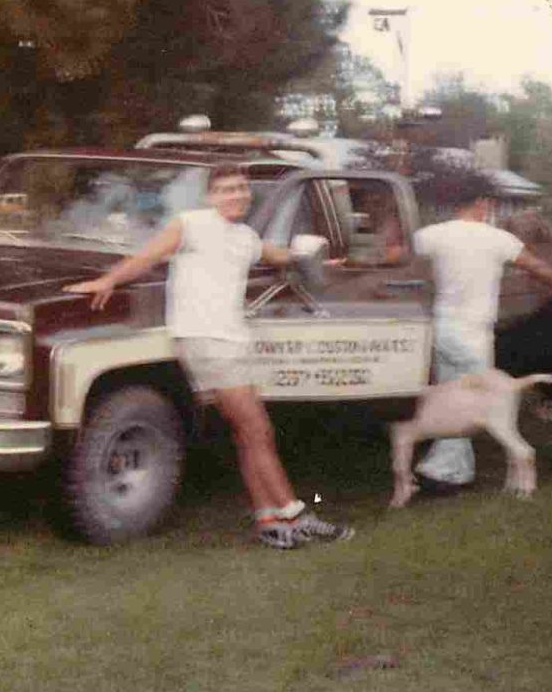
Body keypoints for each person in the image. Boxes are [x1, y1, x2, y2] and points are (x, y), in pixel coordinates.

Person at [63, 163, 353, 550]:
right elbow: (147, 257)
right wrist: (109, 280)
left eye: (241, 189)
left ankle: (269, 521)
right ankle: (297, 515)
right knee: (258, 431)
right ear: (210, 196)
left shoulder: (246, 236)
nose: (236, 195)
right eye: (227, 189)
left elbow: (277, 255)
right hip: (206, 338)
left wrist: (315, 261)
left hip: (232, 339)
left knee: (248, 434)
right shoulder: (191, 223)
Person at [412, 178, 552, 492]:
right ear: (480, 203)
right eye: (488, 203)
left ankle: (447, 466)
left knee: (450, 397)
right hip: (474, 333)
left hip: (443, 329)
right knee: (474, 403)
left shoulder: (431, 235)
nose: (489, 207)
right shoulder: (498, 239)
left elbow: (400, 255)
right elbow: (536, 267)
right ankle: (449, 473)